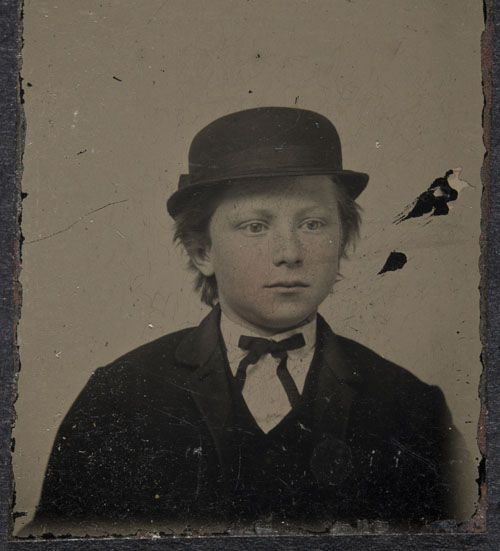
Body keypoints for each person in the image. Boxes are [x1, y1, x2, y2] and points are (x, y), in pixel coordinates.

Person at [32, 107, 470, 531]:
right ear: (202, 251)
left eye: (313, 224)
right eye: (255, 226)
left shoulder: (412, 407)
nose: (290, 253)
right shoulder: (119, 397)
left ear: (342, 240)